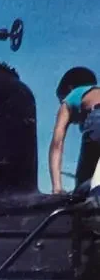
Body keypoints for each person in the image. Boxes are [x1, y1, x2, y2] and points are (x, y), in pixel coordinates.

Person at [48, 67, 100, 196]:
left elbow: (57, 143)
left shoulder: (71, 97)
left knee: (83, 188)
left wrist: (57, 188)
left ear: (69, 88)